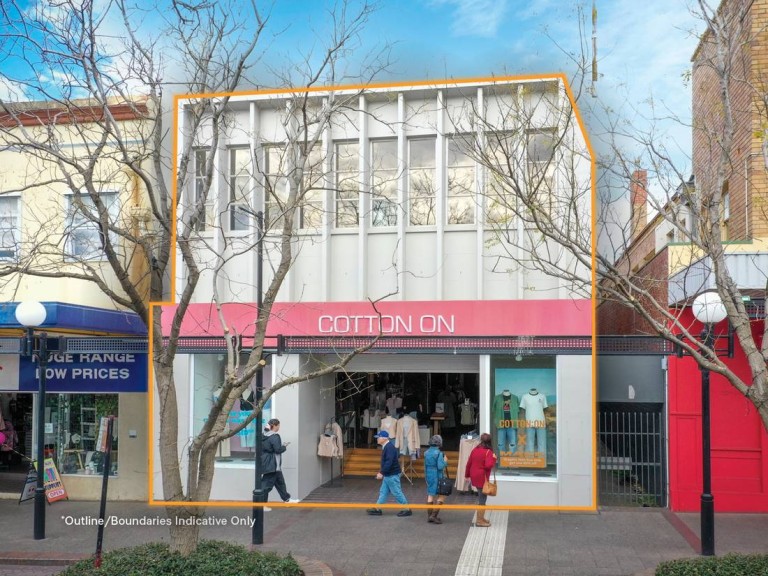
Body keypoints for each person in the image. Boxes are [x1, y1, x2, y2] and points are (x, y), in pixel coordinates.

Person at [366, 430, 412, 517]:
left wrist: (381, 473)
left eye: (378, 437)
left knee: (396, 492)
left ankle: (406, 509)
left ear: (384, 438)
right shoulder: (388, 447)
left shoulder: (389, 447)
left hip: (392, 475)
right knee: (383, 492)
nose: (377, 439)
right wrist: (383, 472)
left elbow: (389, 462)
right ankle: (378, 508)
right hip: (389, 475)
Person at [464, 432, 497, 527]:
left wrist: (467, 475)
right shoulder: (488, 452)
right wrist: (494, 459)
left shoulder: (475, 449)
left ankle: (481, 518)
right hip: (482, 477)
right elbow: (488, 465)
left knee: (481, 496)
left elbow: (469, 463)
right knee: (482, 498)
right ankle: (479, 520)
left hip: (474, 475)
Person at [261, 418, 295, 504]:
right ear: (275, 426)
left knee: (280, 483)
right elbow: (278, 450)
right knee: (266, 486)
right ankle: (261, 504)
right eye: (278, 425)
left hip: (267, 462)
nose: (279, 427)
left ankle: (287, 499)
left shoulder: (263, 435)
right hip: (273, 464)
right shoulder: (275, 436)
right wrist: (284, 446)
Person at [424, 434, 448, 524]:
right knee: (442, 495)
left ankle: (429, 516)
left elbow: (425, 466)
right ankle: (433, 516)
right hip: (437, 475)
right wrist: (445, 461)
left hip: (429, 474)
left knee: (430, 494)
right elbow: (440, 466)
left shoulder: (426, 452)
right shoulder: (439, 453)